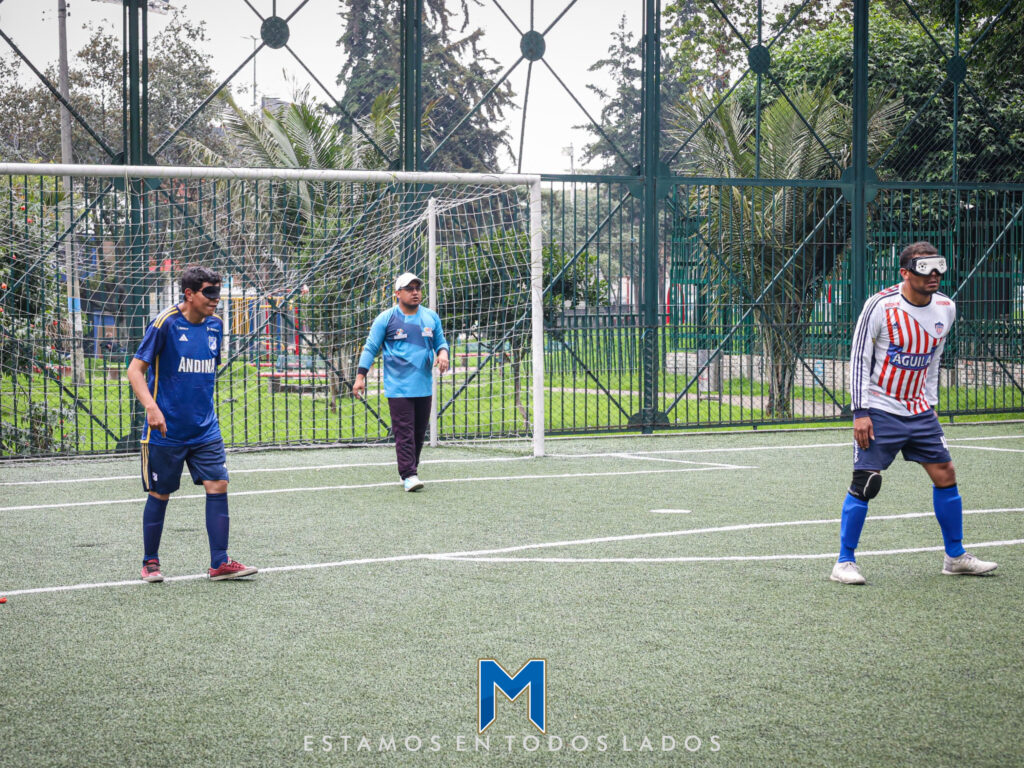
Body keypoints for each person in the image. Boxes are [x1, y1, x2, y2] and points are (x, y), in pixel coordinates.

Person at [830, 241, 997, 584]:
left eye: (938, 268)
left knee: (945, 473)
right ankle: (844, 562)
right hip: (879, 408)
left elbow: (933, 361)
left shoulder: (946, 307)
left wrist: (931, 405)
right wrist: (860, 412)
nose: (934, 275)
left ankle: (955, 557)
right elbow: (859, 359)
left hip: (919, 411)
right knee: (866, 482)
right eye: (925, 269)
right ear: (905, 273)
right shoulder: (880, 306)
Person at [126, 265, 257, 583]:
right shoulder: (165, 323)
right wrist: (151, 408)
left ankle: (220, 562)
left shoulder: (216, 326)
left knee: (218, 485)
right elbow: (134, 370)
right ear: (189, 294)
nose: (215, 298)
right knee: (160, 493)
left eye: (218, 292)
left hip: (205, 429)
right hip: (166, 431)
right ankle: (150, 563)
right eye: (209, 292)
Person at [351, 272, 450, 491]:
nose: (415, 292)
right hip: (398, 387)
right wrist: (360, 378)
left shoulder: (431, 317)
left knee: (418, 434)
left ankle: (409, 470)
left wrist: (443, 354)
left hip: (423, 386)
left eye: (418, 288)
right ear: (397, 293)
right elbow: (370, 348)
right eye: (410, 289)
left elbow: (441, 342)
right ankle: (409, 474)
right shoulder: (386, 319)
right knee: (404, 432)